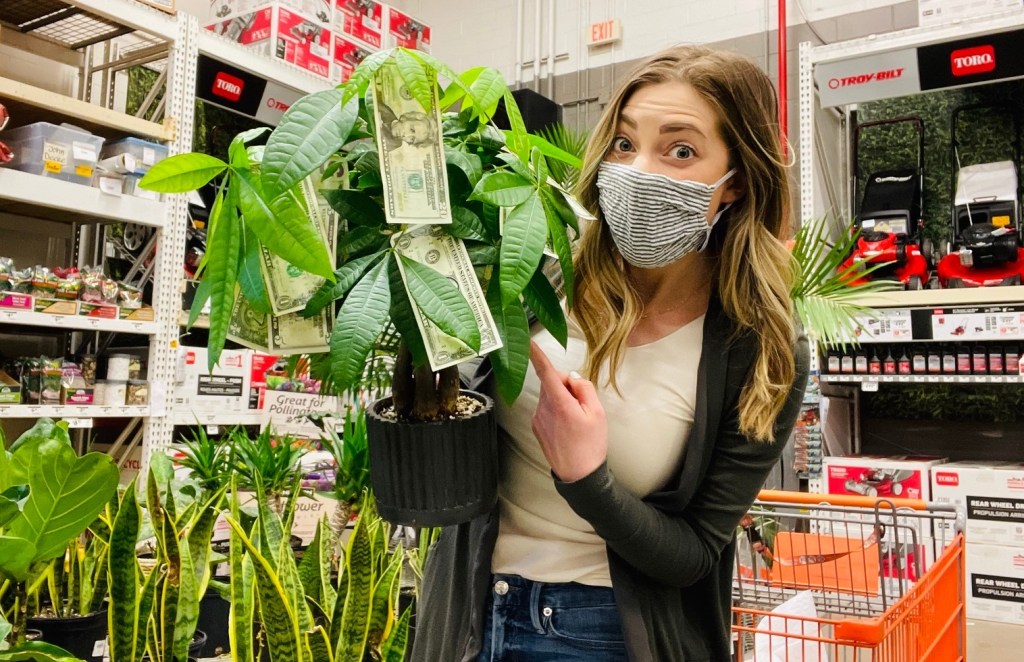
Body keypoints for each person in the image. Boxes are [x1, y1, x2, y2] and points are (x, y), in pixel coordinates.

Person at [411, 44, 810, 662]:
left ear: (735, 182)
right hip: (464, 608)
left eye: (681, 151)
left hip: (601, 634)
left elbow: (695, 554)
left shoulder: (759, 347)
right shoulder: (539, 263)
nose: (638, 169)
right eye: (624, 144)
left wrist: (586, 478)